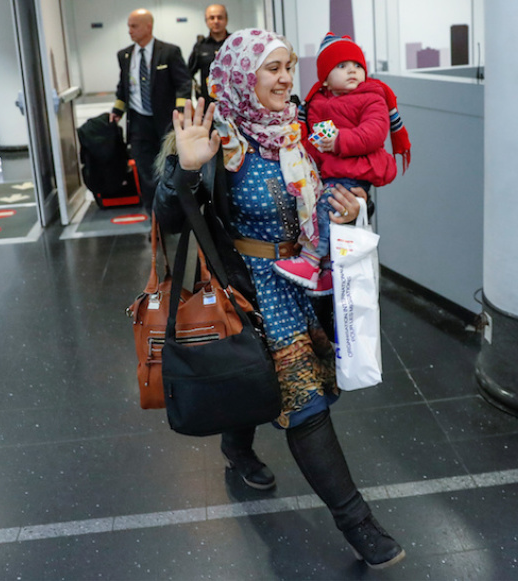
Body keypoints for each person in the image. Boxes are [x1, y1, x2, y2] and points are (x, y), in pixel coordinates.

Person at [153, 29, 406, 570]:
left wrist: (350, 204)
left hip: (308, 277)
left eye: (288, 66)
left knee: (249, 380)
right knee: (306, 404)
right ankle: (357, 523)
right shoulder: (214, 133)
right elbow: (170, 218)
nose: (286, 78)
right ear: (243, 76)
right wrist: (187, 167)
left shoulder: (303, 128)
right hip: (250, 285)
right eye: (271, 69)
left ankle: (236, 446)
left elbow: (345, 183)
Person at [272, 32, 411, 293]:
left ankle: (311, 261)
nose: (352, 71)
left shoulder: (371, 96)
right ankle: (326, 271)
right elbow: (314, 140)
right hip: (331, 172)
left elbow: (375, 132)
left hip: (352, 171)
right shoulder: (318, 103)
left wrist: (339, 141)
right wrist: (312, 158)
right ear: (325, 77)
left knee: (324, 211)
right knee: (324, 213)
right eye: (342, 66)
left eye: (358, 65)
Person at [109, 9, 191, 211]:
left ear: (148, 26)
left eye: (134, 26)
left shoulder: (169, 52)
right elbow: (124, 87)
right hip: (138, 123)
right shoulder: (125, 55)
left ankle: (173, 211)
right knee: (146, 172)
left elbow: (184, 83)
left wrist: (180, 109)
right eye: (128, 26)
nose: (130, 31)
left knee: (169, 168)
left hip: (165, 121)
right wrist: (117, 111)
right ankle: (154, 217)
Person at [187, 4, 230, 105]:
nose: (216, 21)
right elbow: (188, 74)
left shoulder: (236, 44)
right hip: (208, 103)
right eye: (212, 18)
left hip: (233, 104)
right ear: (206, 21)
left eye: (220, 17)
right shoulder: (200, 46)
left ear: (226, 20)